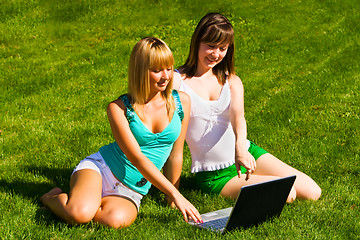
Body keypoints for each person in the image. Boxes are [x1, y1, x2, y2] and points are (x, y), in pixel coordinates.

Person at [40, 37, 202, 228]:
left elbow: (175, 154)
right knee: (80, 215)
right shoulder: (119, 108)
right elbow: (137, 158)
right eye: (157, 70)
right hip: (103, 170)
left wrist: (171, 198)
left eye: (168, 68)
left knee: (114, 221)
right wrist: (176, 194)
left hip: (132, 188)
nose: (166, 76)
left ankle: (88, 201)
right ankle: (51, 197)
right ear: (140, 71)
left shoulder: (181, 102)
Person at [172, 13, 321, 203]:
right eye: (210, 46)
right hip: (215, 175)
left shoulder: (231, 81)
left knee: (312, 192)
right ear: (196, 42)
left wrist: (241, 148)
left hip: (246, 154)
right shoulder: (178, 82)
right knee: (288, 194)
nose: (215, 54)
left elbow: (238, 118)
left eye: (222, 48)